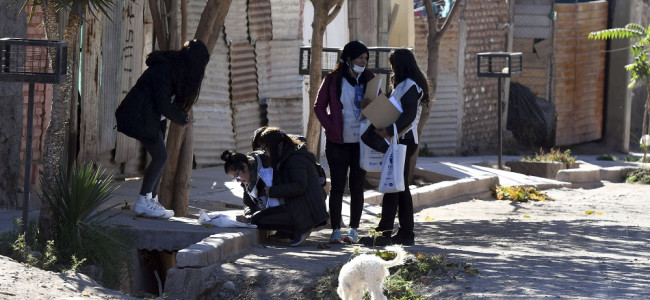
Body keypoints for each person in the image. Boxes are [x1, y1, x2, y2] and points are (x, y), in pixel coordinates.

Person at [115, 39, 210, 219]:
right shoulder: (164, 70)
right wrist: (182, 119)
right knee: (161, 156)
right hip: (138, 116)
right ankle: (143, 201)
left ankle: (150, 200)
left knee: (161, 157)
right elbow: (163, 103)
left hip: (148, 117)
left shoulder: (174, 70)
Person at [358, 48, 430, 246]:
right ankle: (405, 233)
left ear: (401, 65)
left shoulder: (410, 86)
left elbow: (407, 116)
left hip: (402, 140)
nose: (392, 69)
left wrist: (389, 131)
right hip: (399, 140)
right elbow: (392, 109)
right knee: (399, 187)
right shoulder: (403, 85)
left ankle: (384, 234)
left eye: (394, 65)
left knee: (393, 186)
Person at [314, 40, 376, 244]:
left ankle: (354, 230)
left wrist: (373, 106)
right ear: (348, 59)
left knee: (357, 185)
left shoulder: (370, 80)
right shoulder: (333, 79)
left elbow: (381, 106)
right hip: (338, 141)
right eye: (360, 58)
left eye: (366, 58)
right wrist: (330, 126)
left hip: (361, 142)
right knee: (338, 186)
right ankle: (336, 231)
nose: (363, 62)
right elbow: (319, 107)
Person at [255, 127, 329, 247]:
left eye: (265, 148)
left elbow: (299, 186)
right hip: (298, 205)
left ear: (274, 146)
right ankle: (287, 233)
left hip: (306, 209)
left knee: (259, 220)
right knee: (258, 218)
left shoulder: (295, 158)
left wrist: (273, 191)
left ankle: (302, 228)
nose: (265, 153)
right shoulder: (287, 156)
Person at [220, 150, 280, 223]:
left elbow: (269, 210)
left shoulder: (265, 174)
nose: (238, 180)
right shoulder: (248, 181)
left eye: (237, 176)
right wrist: (248, 214)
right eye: (235, 178)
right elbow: (247, 202)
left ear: (244, 166)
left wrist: (250, 219)